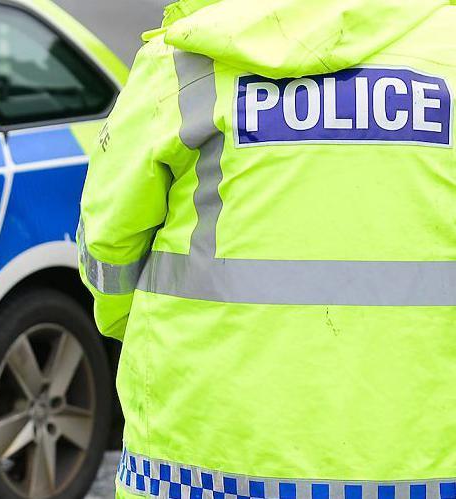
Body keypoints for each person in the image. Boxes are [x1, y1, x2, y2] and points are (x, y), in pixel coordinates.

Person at [77, 0, 456, 497]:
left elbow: (108, 252)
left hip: (199, 464)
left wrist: (145, 330)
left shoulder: (183, 61)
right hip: (421, 464)